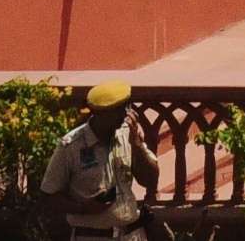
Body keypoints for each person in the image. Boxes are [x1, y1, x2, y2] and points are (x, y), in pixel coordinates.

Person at [41, 82, 160, 241]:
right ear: (99, 114)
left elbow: (150, 180)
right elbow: (49, 196)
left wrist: (137, 146)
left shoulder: (128, 134)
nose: (125, 115)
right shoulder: (71, 146)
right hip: (92, 235)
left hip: (132, 234)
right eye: (118, 110)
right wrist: (83, 208)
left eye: (127, 107)